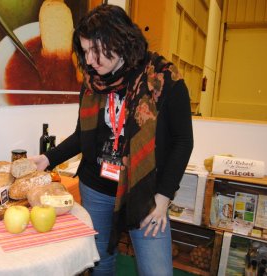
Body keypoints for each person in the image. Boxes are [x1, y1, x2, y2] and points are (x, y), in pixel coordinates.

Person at [30, 4, 193, 276]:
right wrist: (47, 158)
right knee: (101, 262)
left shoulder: (164, 79)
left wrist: (164, 198)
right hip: (96, 188)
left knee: (157, 271)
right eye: (84, 52)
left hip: (145, 192)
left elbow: (183, 142)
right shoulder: (93, 83)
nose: (89, 60)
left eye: (95, 50)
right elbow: (83, 135)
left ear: (119, 39)